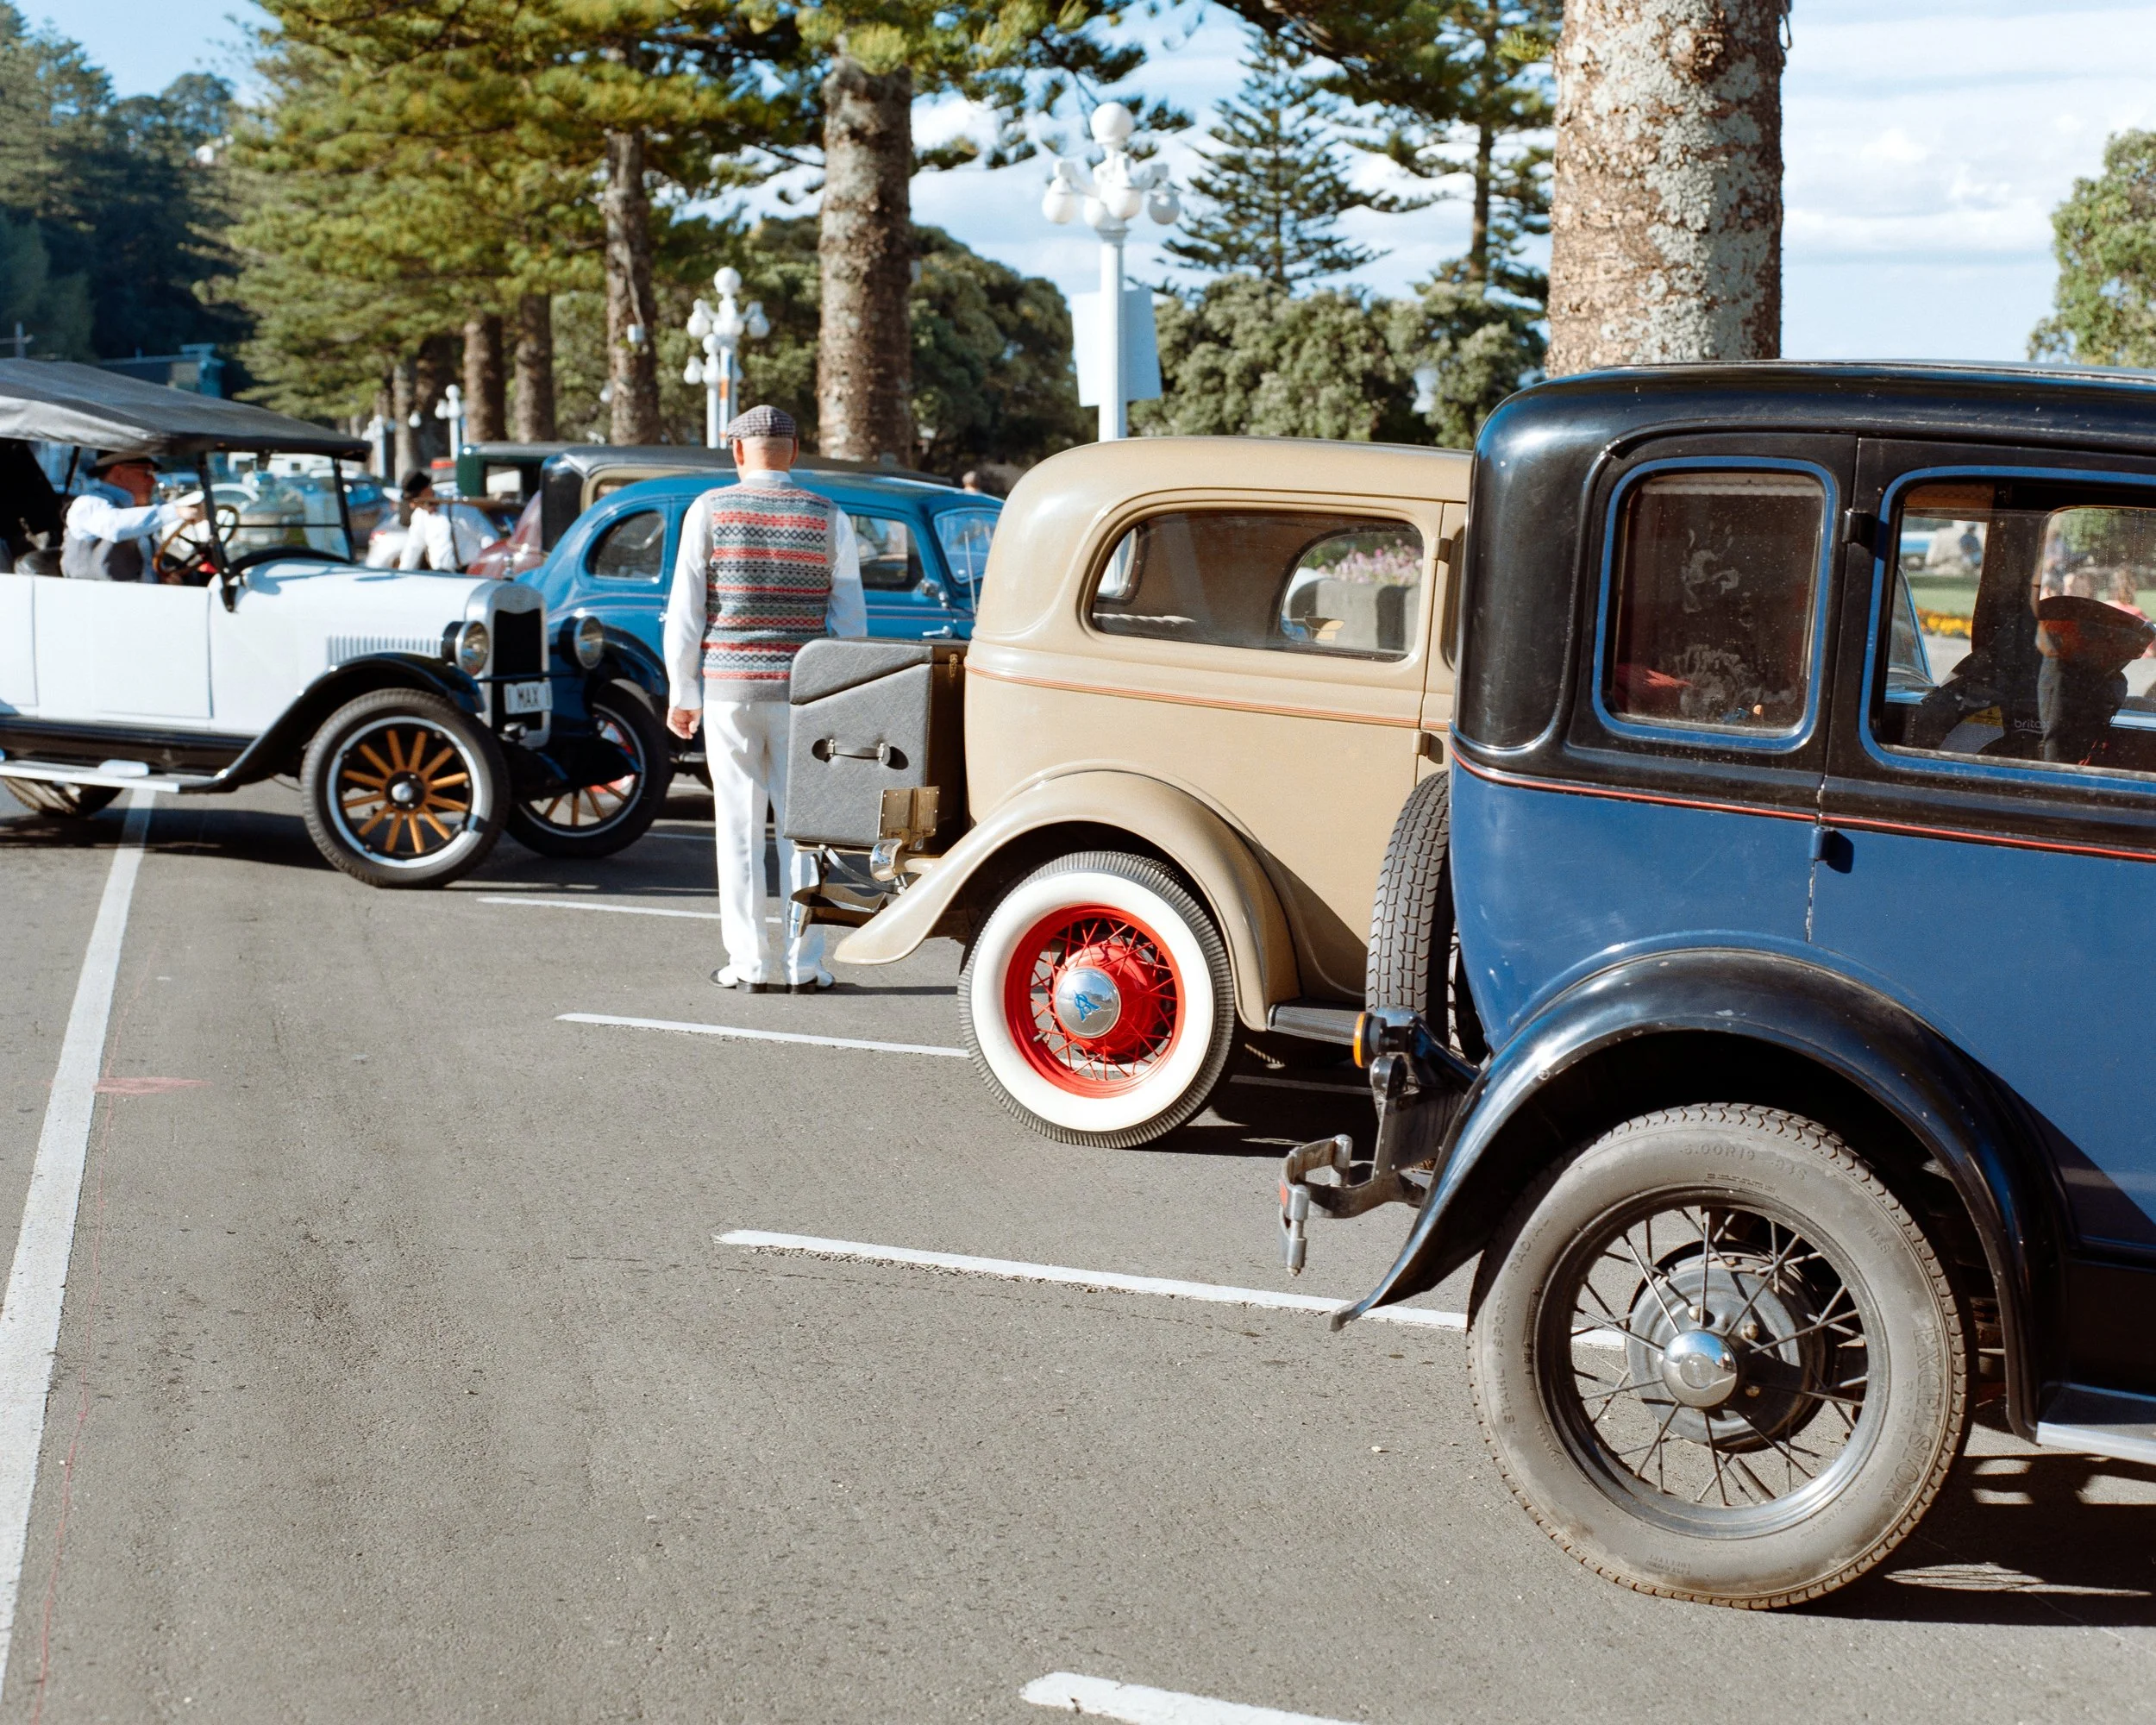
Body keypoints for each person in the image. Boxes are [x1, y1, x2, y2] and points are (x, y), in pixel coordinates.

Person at [662, 405, 866, 993]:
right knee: (803, 830)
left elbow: (686, 614)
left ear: (736, 452)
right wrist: (841, 697)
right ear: (795, 451)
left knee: (738, 826)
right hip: (803, 693)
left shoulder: (710, 511)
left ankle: (749, 963)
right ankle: (805, 964)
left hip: (729, 692)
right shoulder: (830, 517)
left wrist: (684, 690)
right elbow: (850, 624)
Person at [60, 448, 204, 581]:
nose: (153, 481)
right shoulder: (89, 503)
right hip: (95, 600)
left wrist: (165, 578)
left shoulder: (132, 511)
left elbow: (145, 565)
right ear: (119, 473)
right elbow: (114, 526)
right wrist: (176, 511)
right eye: (147, 473)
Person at [395, 470, 470, 572]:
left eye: (415, 499)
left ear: (426, 490)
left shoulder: (457, 506)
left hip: (466, 574)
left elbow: (487, 538)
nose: (413, 505)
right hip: (440, 575)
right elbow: (413, 547)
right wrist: (403, 574)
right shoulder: (419, 516)